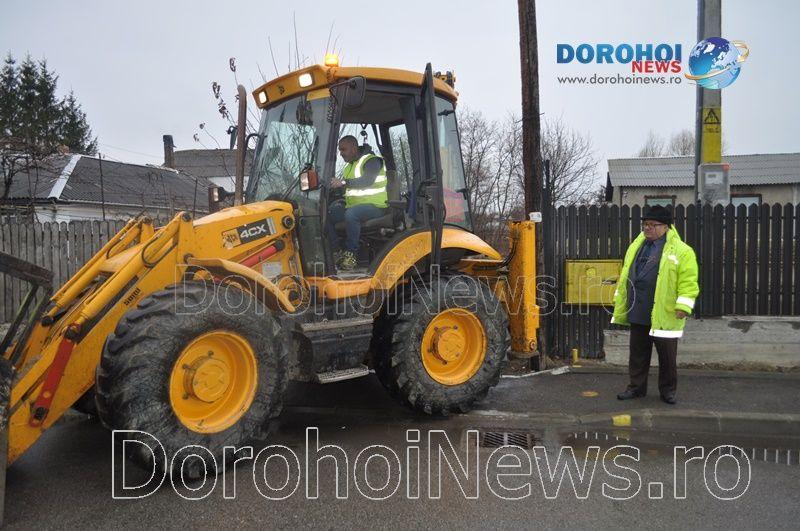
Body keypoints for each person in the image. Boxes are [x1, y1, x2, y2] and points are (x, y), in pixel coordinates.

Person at [612, 205, 699, 405]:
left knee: (667, 356)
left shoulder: (682, 251)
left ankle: (668, 391)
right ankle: (636, 388)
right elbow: (626, 273)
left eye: (653, 225)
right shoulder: (636, 245)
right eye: (645, 224)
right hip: (639, 308)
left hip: (665, 312)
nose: (647, 228)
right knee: (637, 354)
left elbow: (688, 281)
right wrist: (621, 299)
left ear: (666, 226)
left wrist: (683, 306)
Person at [326, 135, 388, 270]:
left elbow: (367, 181)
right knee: (326, 213)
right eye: (339, 150)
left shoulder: (372, 161)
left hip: (376, 206)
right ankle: (337, 251)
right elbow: (348, 188)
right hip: (353, 206)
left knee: (351, 214)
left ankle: (351, 254)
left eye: (343, 149)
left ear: (354, 148)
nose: (341, 153)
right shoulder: (348, 167)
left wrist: (343, 182)